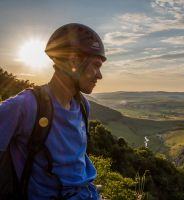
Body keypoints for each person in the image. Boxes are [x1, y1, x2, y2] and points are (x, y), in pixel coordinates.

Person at [0, 23, 106, 199]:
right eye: (95, 65)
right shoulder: (26, 106)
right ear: (73, 62)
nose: (99, 75)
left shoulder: (82, 106)